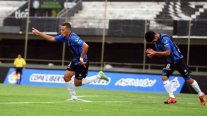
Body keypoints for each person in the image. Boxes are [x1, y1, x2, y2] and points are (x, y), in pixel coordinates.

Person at [32, 22, 109, 101]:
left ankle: (99, 76)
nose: (61, 31)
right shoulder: (64, 37)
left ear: (68, 30)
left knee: (77, 83)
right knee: (66, 77)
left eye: (63, 30)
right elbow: (51, 38)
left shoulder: (73, 37)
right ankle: (74, 97)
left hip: (82, 61)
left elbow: (86, 46)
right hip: (75, 59)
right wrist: (39, 33)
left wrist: (81, 58)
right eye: (61, 30)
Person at [145, 31, 206, 106]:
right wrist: (153, 54)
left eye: (153, 40)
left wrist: (155, 52)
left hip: (179, 60)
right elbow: (161, 54)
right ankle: (172, 98)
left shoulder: (165, 39)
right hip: (170, 62)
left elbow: (168, 52)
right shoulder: (157, 42)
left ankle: (200, 94)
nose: (153, 41)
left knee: (188, 80)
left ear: (155, 36)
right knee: (164, 77)